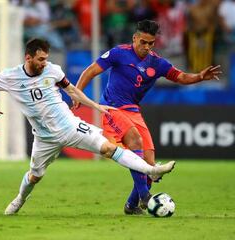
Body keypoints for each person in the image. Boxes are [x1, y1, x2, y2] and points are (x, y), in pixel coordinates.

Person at [0, 38, 175, 215]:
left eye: (46, 59)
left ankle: (151, 170)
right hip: (44, 137)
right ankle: (20, 199)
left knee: (108, 148)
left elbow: (72, 91)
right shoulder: (10, 77)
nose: (44, 63)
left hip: (70, 126)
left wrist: (96, 106)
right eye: (40, 59)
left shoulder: (53, 71)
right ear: (28, 58)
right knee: (34, 176)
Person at [74, 20, 221, 215]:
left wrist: (199, 76)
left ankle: (132, 205)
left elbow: (181, 77)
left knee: (151, 166)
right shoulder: (119, 53)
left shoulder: (157, 63)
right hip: (112, 108)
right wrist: (77, 94)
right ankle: (145, 197)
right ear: (135, 38)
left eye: (151, 43)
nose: (147, 47)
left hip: (133, 111)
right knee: (135, 140)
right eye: (143, 42)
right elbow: (90, 71)